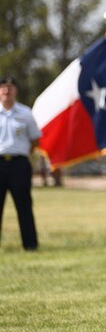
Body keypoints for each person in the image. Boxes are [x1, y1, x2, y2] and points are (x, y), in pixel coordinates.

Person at [0, 75, 41, 251]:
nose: (6, 90)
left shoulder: (25, 113)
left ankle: (30, 244)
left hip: (19, 164)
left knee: (24, 205)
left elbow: (35, 140)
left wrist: (23, 153)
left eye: (10, 87)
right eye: (3, 87)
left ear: (15, 90)